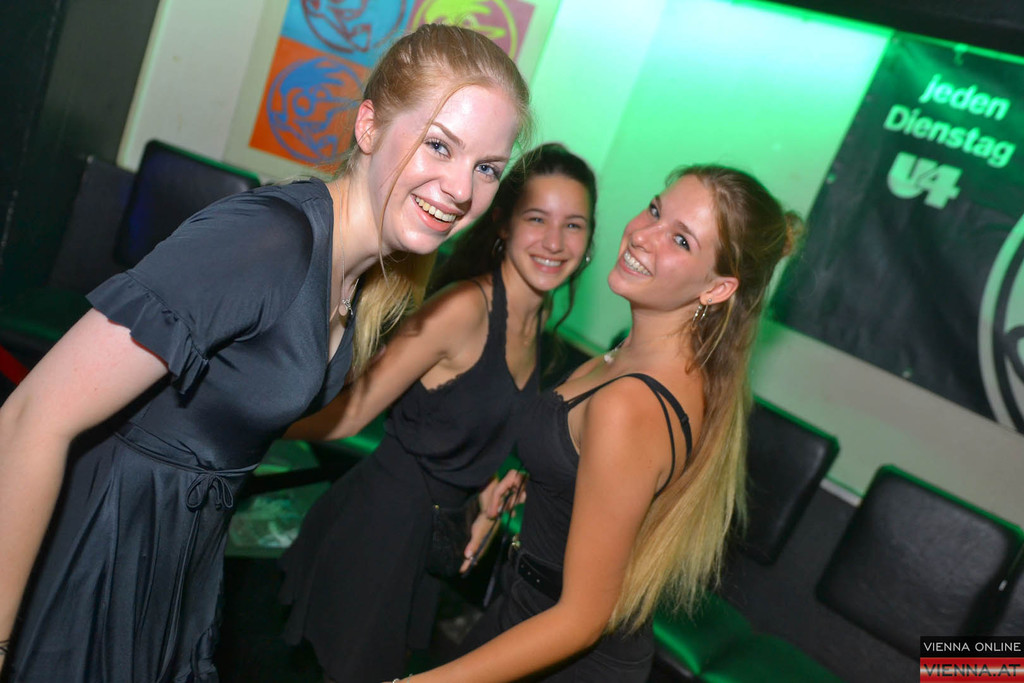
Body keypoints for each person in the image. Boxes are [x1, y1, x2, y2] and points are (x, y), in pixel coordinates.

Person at [0, 24, 530, 682]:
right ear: (369, 125)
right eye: (439, 145)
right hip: (96, 544)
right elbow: (32, 416)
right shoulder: (271, 240)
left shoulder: (365, 278)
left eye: (487, 168)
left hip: (176, 558)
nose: (460, 188)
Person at [406, 164, 801, 681]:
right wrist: (532, 483)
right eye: (655, 211)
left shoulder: (631, 404)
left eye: (680, 240)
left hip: (562, 653)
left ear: (717, 288)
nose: (643, 235)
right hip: (525, 615)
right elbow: (605, 477)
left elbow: (581, 621)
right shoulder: (642, 358)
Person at [277, 142, 597, 682]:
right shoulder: (462, 310)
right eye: (537, 218)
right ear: (503, 224)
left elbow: (467, 420)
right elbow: (352, 413)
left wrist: (486, 495)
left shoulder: (538, 324)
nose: (553, 241)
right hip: (377, 530)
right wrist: (235, 431)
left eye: (573, 225)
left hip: (431, 539)